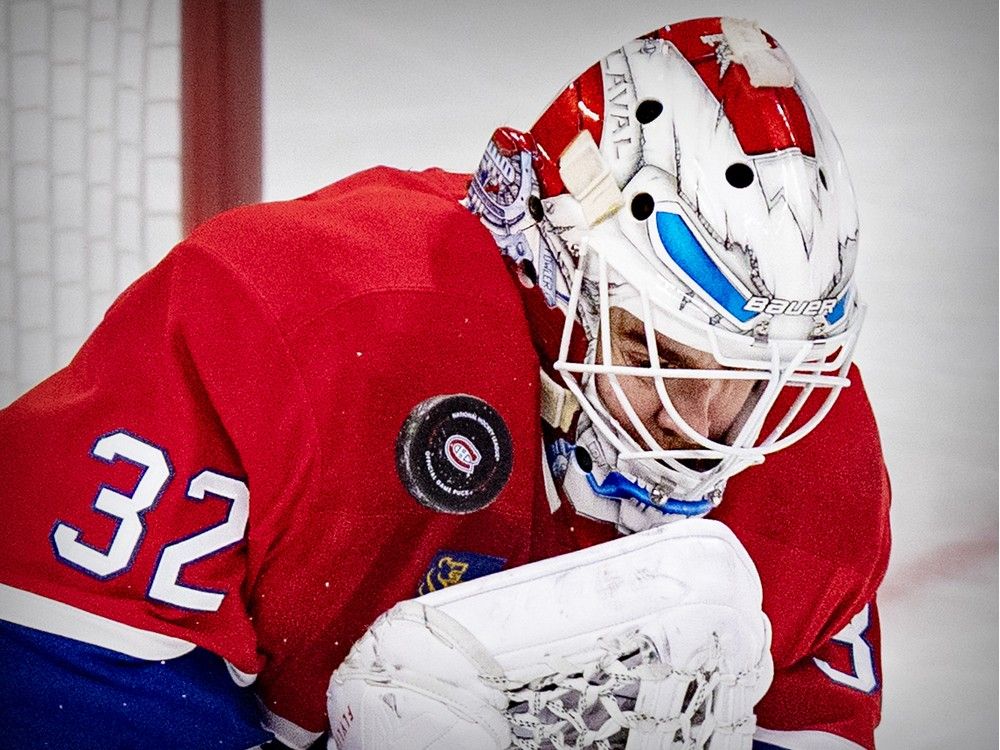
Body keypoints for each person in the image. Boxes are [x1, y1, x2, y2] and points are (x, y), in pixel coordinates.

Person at [0, 16, 889, 750]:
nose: (707, 428)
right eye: (662, 352)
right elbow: (55, 675)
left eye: (747, 377)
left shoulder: (814, 468)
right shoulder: (304, 328)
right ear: (552, 271)